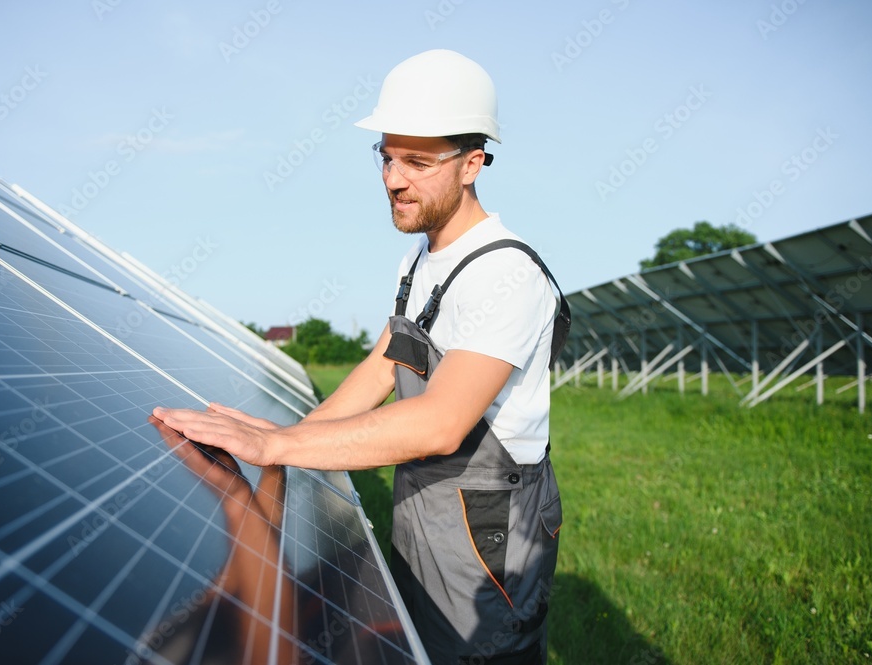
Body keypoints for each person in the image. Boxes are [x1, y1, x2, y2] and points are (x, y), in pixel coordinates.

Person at [153, 49, 566, 665]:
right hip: (427, 509)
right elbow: (383, 367)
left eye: (418, 162)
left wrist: (279, 449)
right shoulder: (421, 259)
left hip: (489, 539)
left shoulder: (505, 272)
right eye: (387, 156)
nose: (394, 178)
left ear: (473, 163)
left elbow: (440, 422)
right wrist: (294, 435)